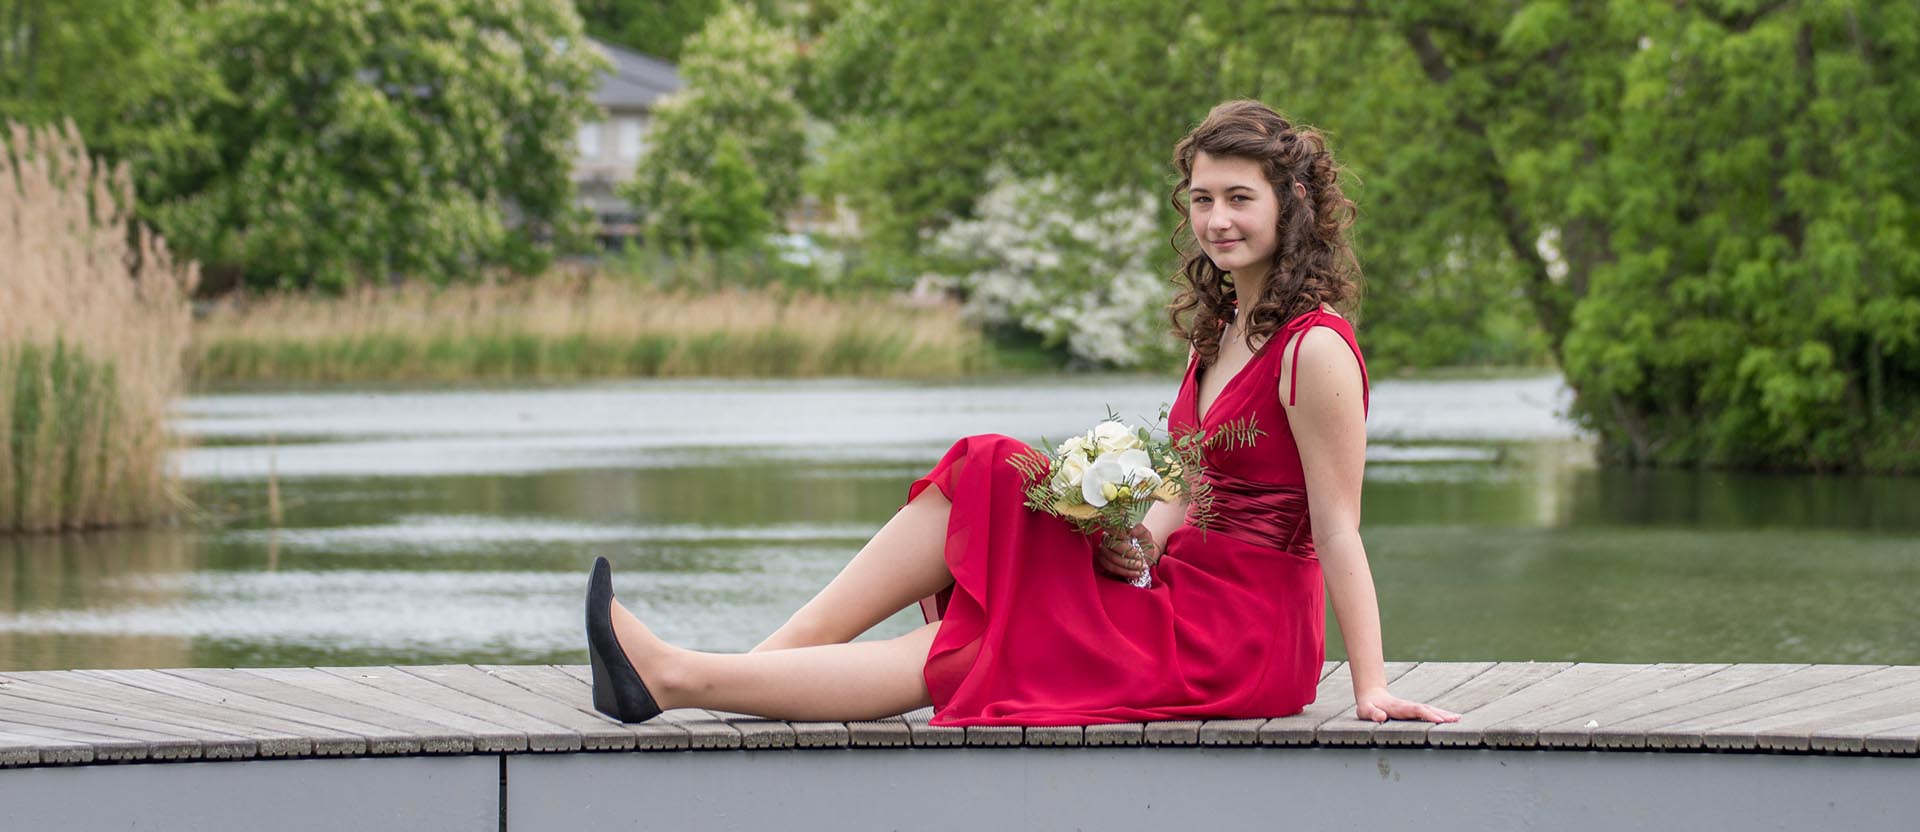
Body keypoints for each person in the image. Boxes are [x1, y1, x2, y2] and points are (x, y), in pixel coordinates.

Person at [584, 100, 1460, 728]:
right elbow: (1189, 495)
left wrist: (1370, 686)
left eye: (1240, 198)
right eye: (1203, 199)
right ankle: (739, 672)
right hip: (1177, 591)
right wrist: (1135, 543)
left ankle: (688, 676)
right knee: (990, 466)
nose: (1218, 220)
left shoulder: (1316, 351)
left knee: (989, 645)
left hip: (1242, 637)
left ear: (1290, 205)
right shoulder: (1221, 331)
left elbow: (1339, 531)